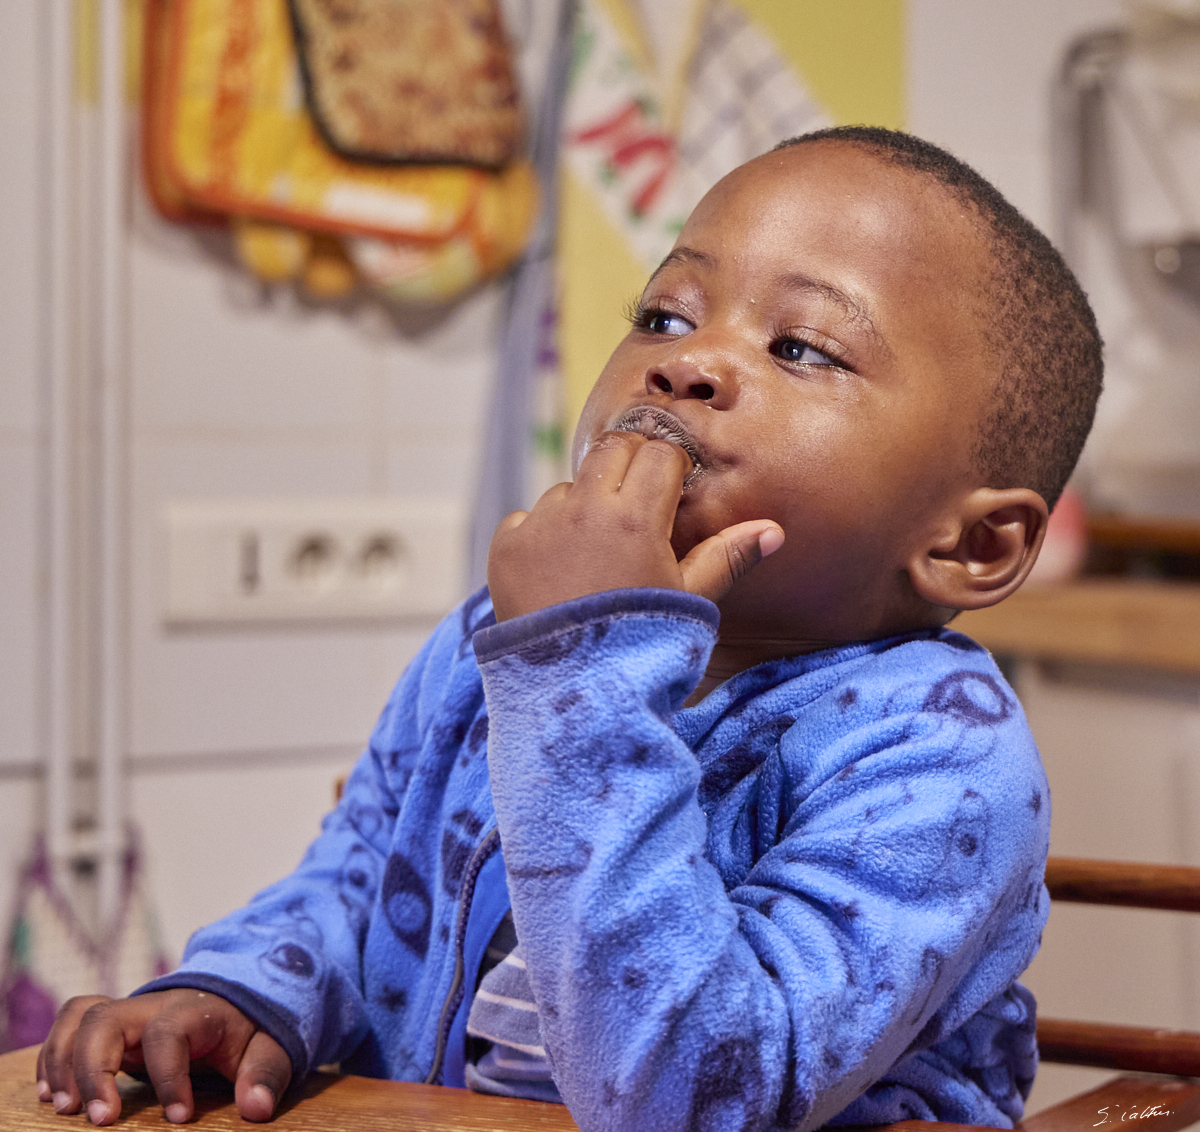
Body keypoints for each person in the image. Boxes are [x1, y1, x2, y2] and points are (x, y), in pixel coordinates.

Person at [36, 127, 1103, 1131]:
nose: (686, 364)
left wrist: (584, 666)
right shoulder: (506, 639)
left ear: (972, 546)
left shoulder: (939, 749)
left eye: (801, 347)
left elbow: (698, 1098)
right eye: (666, 316)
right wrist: (243, 992)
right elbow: (361, 879)